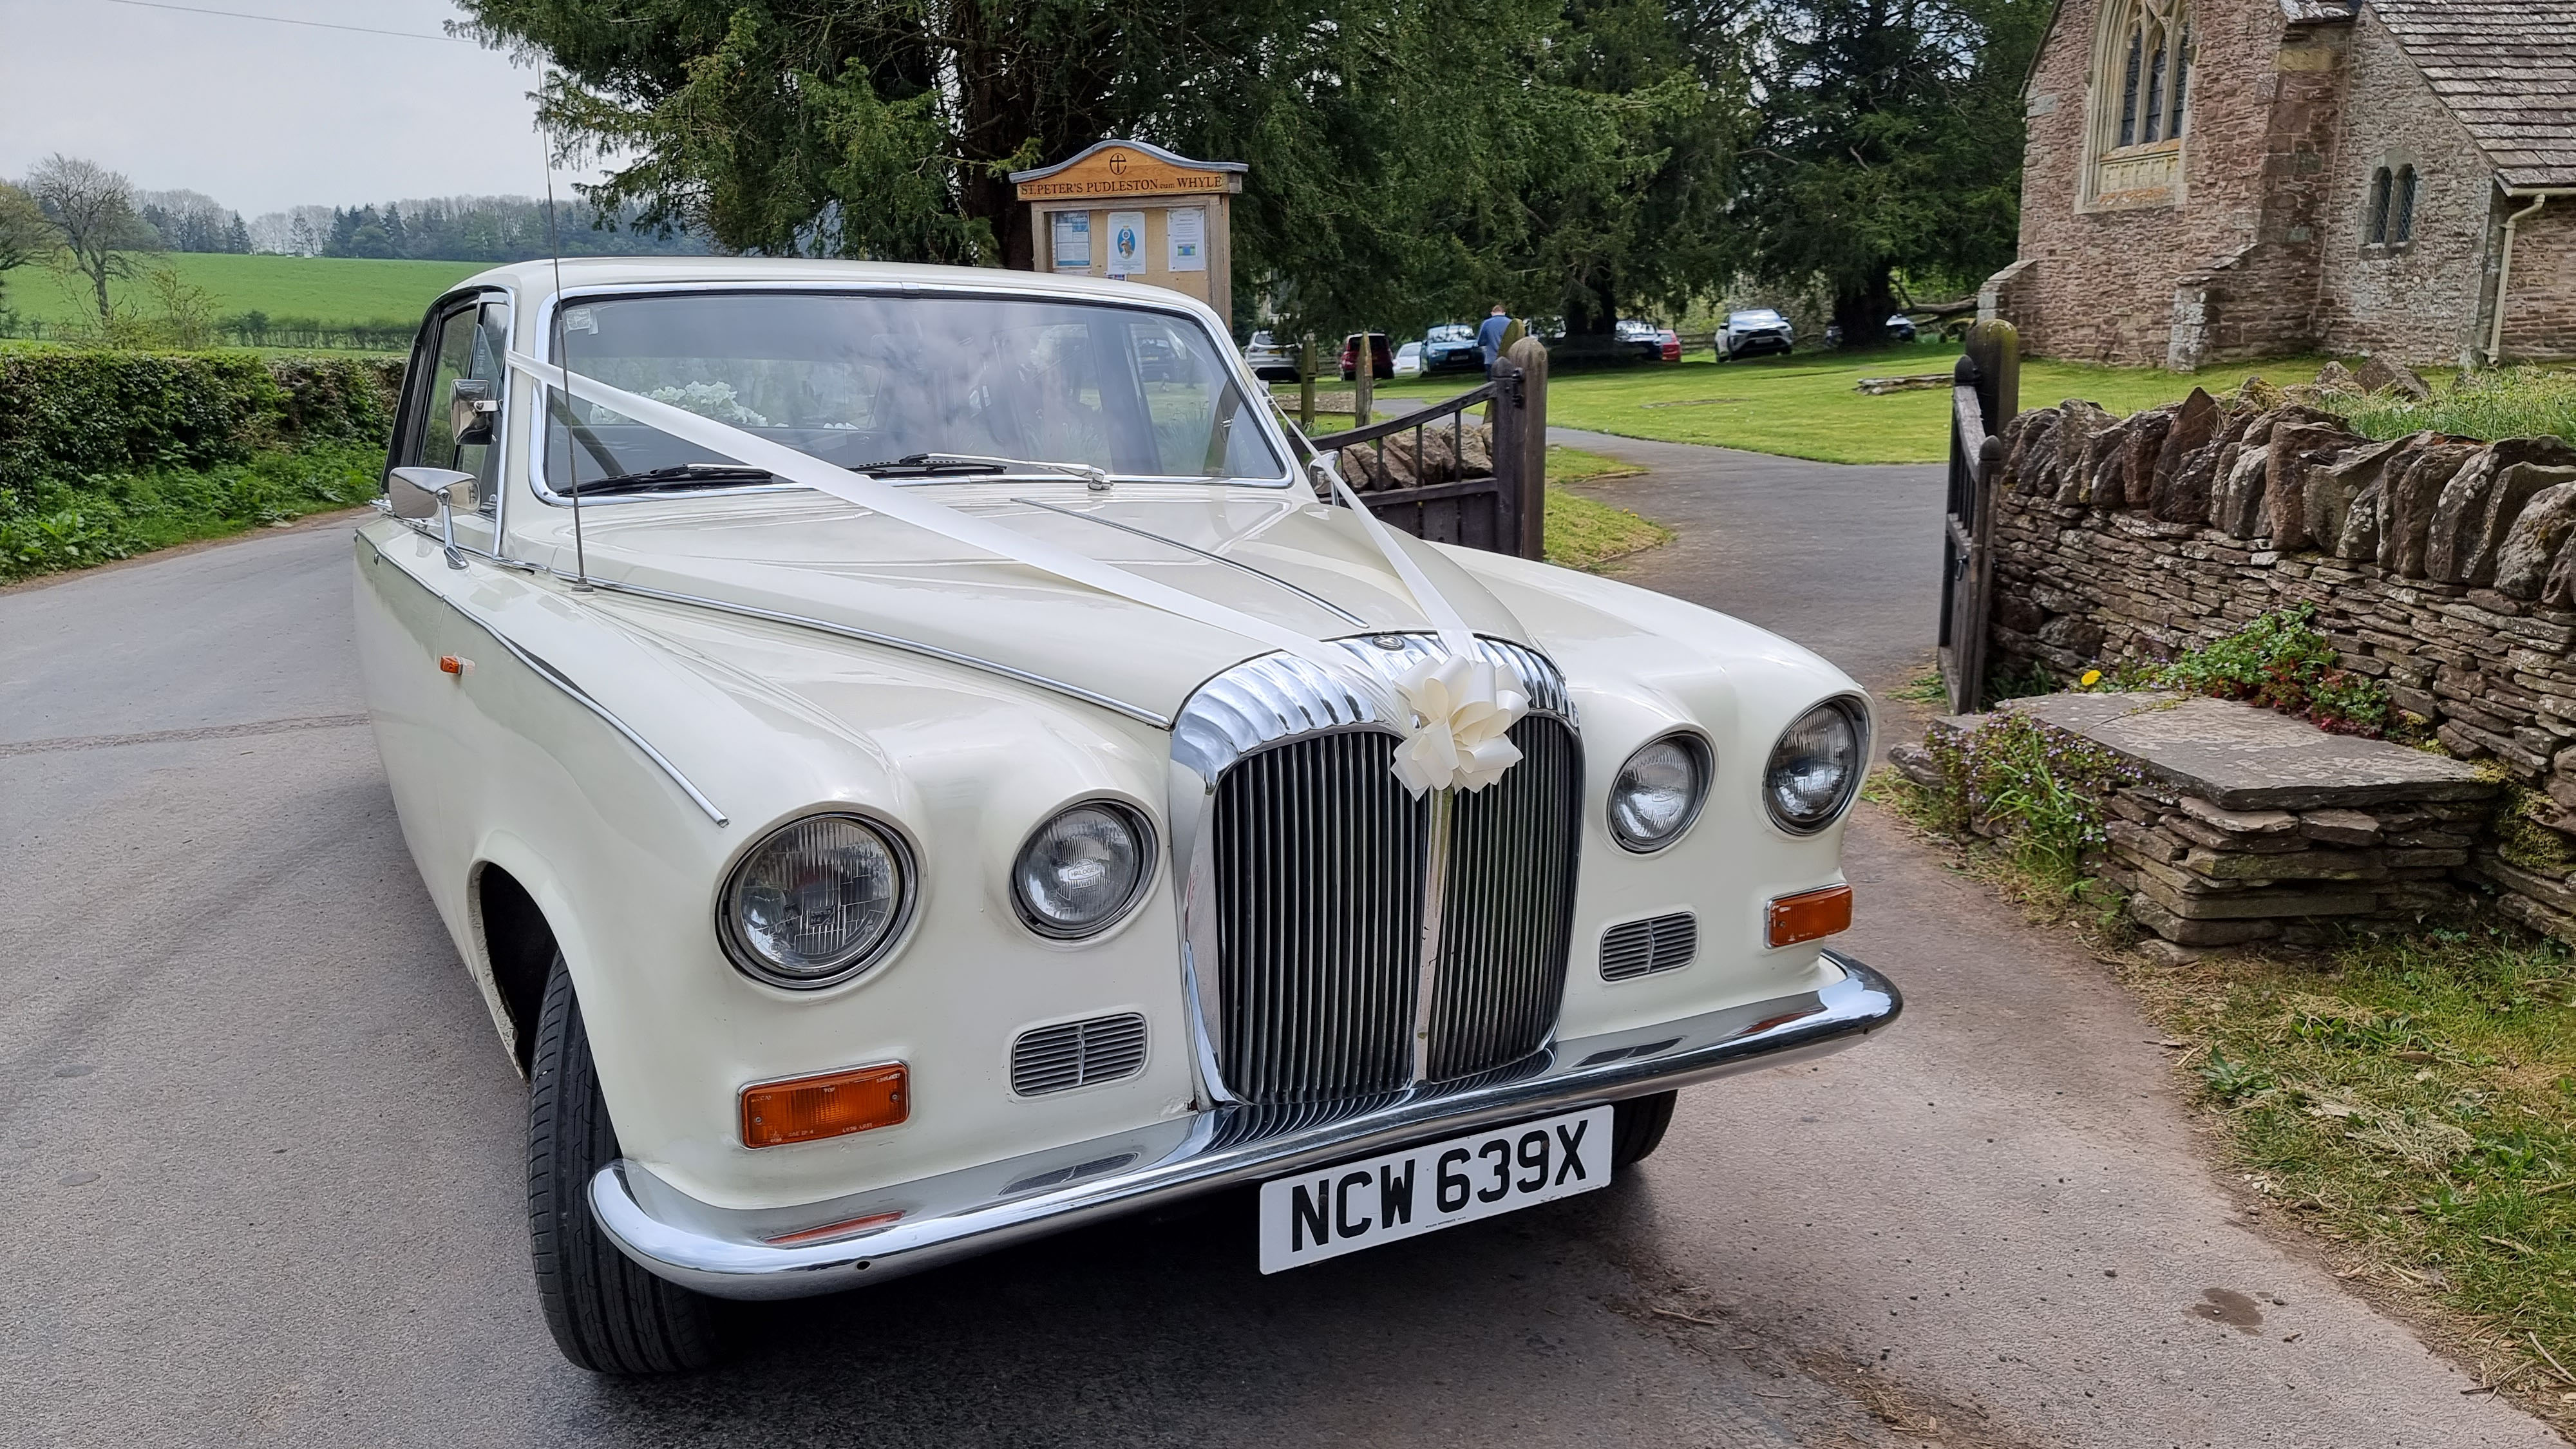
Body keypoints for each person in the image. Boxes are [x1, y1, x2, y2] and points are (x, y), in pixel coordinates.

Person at [1476, 303, 1511, 374]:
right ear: (1504, 313)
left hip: (1491, 359)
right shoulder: (1511, 323)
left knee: (1492, 383)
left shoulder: (1486, 323)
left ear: (1492, 313)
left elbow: (1481, 342)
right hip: (1508, 360)